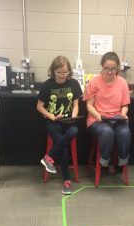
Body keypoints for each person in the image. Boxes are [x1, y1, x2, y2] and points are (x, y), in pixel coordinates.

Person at [37, 56, 82, 195]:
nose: (62, 76)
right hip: (52, 121)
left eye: (65, 72)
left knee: (73, 132)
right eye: (59, 73)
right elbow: (39, 106)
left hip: (68, 120)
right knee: (63, 146)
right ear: (53, 71)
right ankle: (67, 182)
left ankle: (49, 156)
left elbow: (75, 105)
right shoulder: (47, 85)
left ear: (69, 71)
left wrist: (73, 116)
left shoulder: (74, 83)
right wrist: (52, 116)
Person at [83, 51, 131, 173]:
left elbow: (125, 105)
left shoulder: (122, 83)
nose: (110, 72)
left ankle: (122, 162)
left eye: (113, 69)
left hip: (116, 117)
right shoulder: (95, 81)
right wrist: (97, 114)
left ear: (118, 68)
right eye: (107, 68)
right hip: (98, 118)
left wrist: (123, 114)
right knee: (107, 132)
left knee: (124, 132)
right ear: (102, 67)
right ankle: (104, 163)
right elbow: (89, 105)